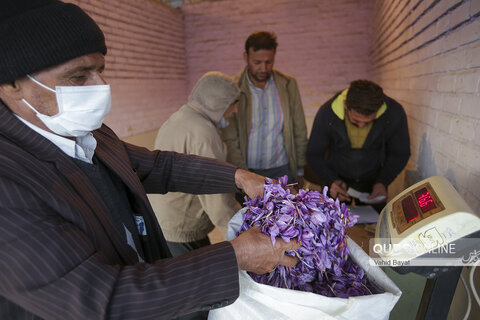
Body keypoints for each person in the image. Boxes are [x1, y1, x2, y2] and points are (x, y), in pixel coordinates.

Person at [0, 1, 300, 319]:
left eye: (100, 70)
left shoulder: (91, 135)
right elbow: (103, 300)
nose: (100, 87)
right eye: (78, 77)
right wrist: (234, 256)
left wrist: (240, 177)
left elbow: (158, 166)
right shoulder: (8, 185)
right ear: (12, 85)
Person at [148, 71, 241, 257]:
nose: (235, 111)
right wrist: (243, 235)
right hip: (181, 228)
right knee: (196, 282)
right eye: (232, 105)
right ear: (218, 104)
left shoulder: (180, 118)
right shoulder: (203, 132)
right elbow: (217, 197)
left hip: (164, 221)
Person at [306, 79, 410, 212]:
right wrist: (331, 180)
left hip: (374, 182)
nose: (361, 126)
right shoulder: (327, 113)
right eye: (355, 121)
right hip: (336, 179)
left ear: (379, 110)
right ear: (345, 105)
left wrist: (383, 181)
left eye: (368, 122)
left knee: (374, 227)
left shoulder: (394, 112)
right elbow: (314, 153)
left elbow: (400, 153)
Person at [221, 31, 308, 190]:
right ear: (245, 57)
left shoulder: (288, 85)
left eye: (269, 62)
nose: (263, 68)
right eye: (257, 62)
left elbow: (299, 128)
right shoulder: (233, 87)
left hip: (283, 170)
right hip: (248, 171)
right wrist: (243, 175)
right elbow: (231, 139)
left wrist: (300, 169)